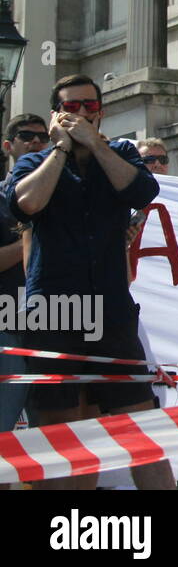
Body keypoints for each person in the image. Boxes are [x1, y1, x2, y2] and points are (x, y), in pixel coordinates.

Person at [9, 75, 174, 489]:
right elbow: (27, 203)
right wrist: (62, 148)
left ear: (101, 112)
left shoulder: (117, 153)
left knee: (141, 431)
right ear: (56, 114)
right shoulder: (35, 162)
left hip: (111, 309)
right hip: (53, 314)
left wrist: (95, 144)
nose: (82, 114)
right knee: (61, 434)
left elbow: (141, 191)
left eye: (89, 107)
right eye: (72, 107)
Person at [0, 115, 49, 464]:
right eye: (26, 136)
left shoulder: (60, 195)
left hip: (57, 322)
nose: (35, 142)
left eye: (42, 137)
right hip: (8, 324)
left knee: (49, 436)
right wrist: (32, 238)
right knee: (4, 431)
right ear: (8, 145)